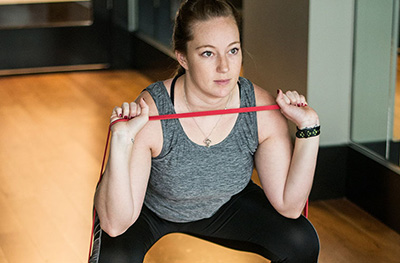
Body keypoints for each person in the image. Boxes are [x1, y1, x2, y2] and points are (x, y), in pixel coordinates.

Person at [89, 0, 320, 262]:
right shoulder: (152, 112)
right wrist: (122, 142)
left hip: (225, 204)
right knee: (115, 258)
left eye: (233, 51)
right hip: (152, 208)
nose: (224, 67)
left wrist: (309, 129)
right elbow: (115, 224)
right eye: (208, 53)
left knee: (301, 241)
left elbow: (289, 207)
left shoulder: (261, 109)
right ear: (183, 57)